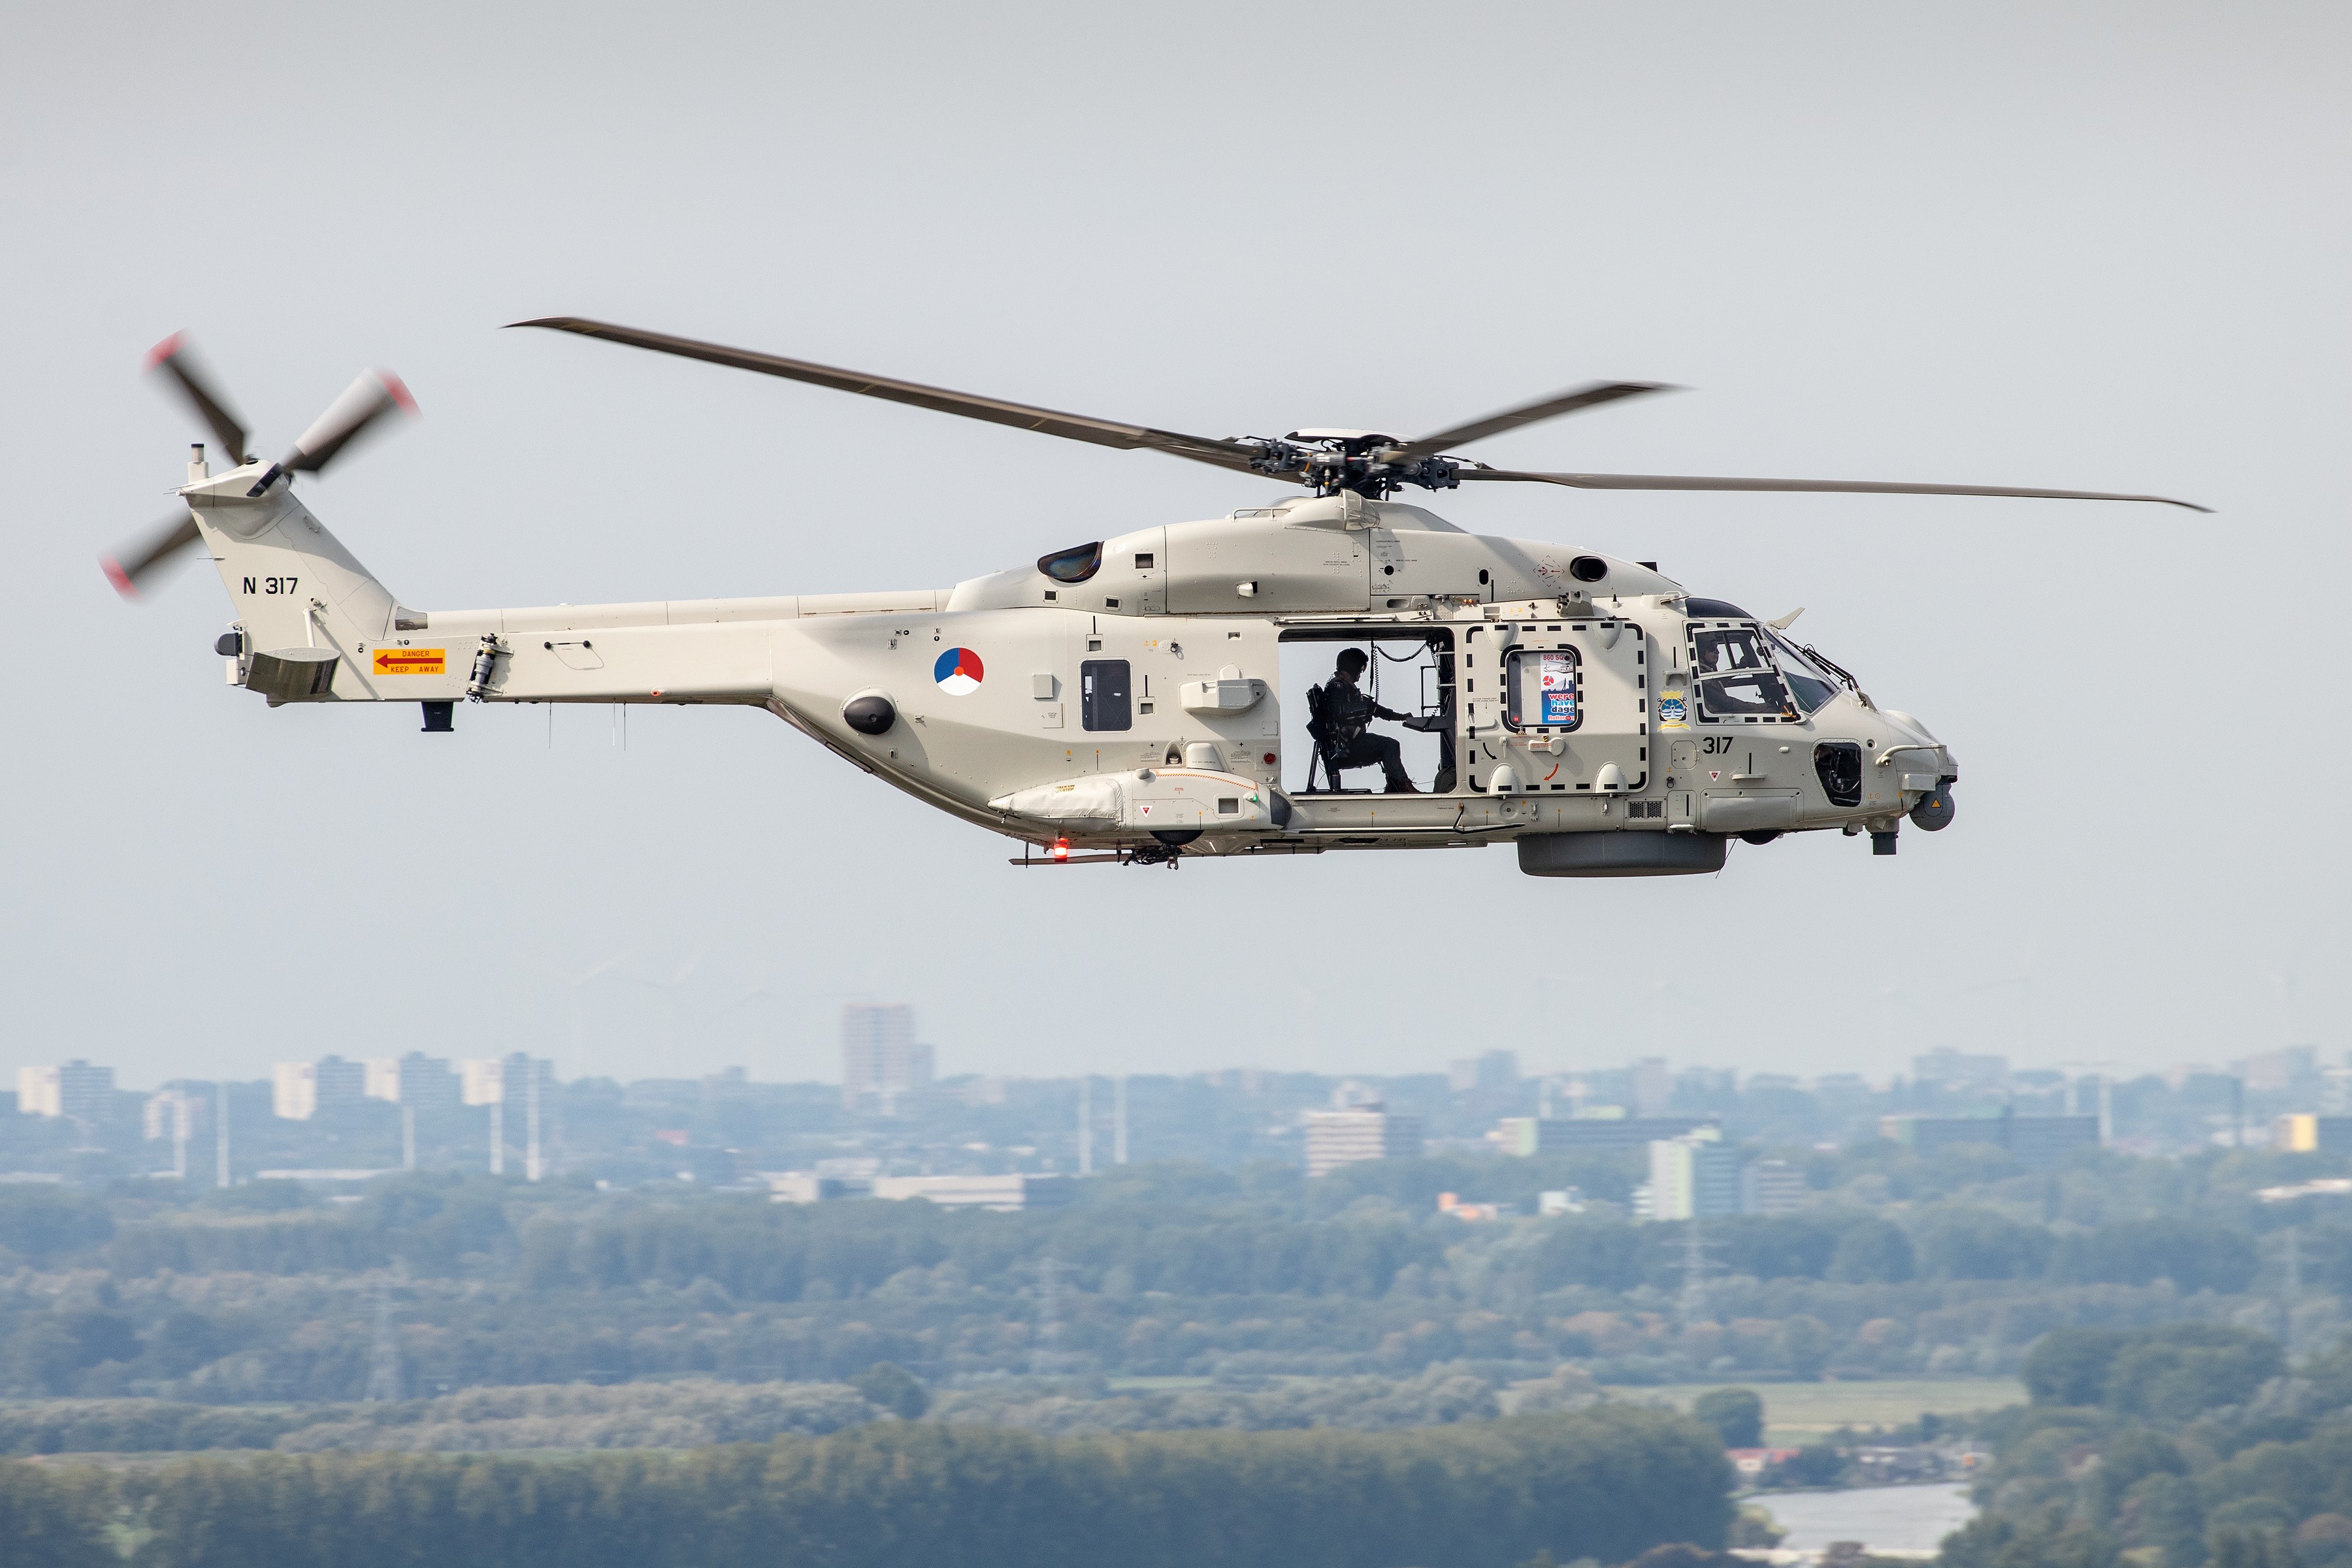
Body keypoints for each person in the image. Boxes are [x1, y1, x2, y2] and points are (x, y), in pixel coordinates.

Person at [1312, 647, 1416, 793]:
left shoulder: (1341, 687)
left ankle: (1395, 785)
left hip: (1346, 744)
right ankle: (1402, 785)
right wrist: (1364, 710)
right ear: (1353, 667)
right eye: (1360, 670)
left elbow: (1373, 708)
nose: (1360, 675)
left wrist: (1398, 717)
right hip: (1346, 746)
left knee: (1389, 744)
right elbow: (1338, 713)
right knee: (1390, 745)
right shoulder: (1339, 687)